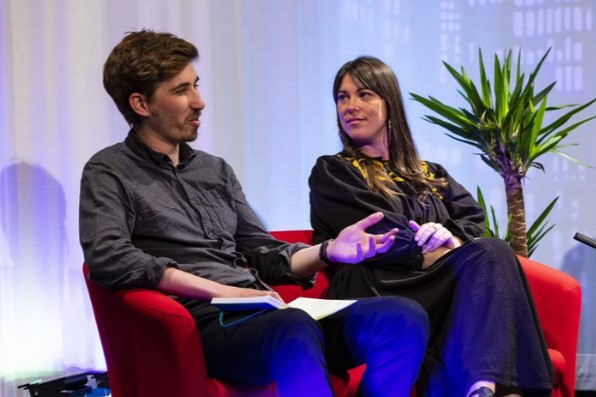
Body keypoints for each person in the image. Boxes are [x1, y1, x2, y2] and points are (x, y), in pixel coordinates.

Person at [79, 31, 430, 397]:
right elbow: (108, 257)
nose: (199, 102)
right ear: (141, 104)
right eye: (182, 90)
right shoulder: (109, 170)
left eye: (196, 86)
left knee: (402, 317)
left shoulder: (214, 171)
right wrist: (221, 292)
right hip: (208, 323)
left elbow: (263, 252)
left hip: (267, 315)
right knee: (292, 326)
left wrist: (329, 252)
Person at [308, 56, 553, 397]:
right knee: (488, 256)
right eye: (342, 97)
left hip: (434, 285)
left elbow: (472, 220)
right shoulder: (333, 170)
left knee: (493, 249)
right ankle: (489, 387)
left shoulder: (430, 173)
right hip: (379, 289)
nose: (350, 106)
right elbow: (379, 231)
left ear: (389, 102)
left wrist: (451, 237)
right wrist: (439, 249)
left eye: (364, 94)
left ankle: (487, 388)